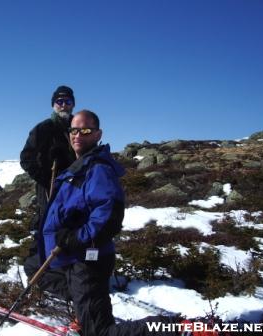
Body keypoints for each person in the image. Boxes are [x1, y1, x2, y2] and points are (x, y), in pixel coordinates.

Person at [35, 110, 180, 336]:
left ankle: (173, 328)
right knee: (37, 269)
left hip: (86, 259)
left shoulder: (98, 169)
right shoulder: (80, 166)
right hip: (69, 255)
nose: (77, 135)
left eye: (85, 130)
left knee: (99, 333)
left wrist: (75, 237)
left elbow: (109, 218)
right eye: (73, 130)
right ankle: (85, 310)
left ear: (97, 134)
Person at [20, 85, 77, 254]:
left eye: (67, 101)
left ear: (73, 104)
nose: (63, 105)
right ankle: (41, 262)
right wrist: (44, 177)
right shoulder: (43, 128)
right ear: (53, 105)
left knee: (73, 222)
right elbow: (26, 158)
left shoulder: (77, 127)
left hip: (76, 184)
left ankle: (70, 260)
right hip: (49, 185)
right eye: (59, 101)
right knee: (48, 223)